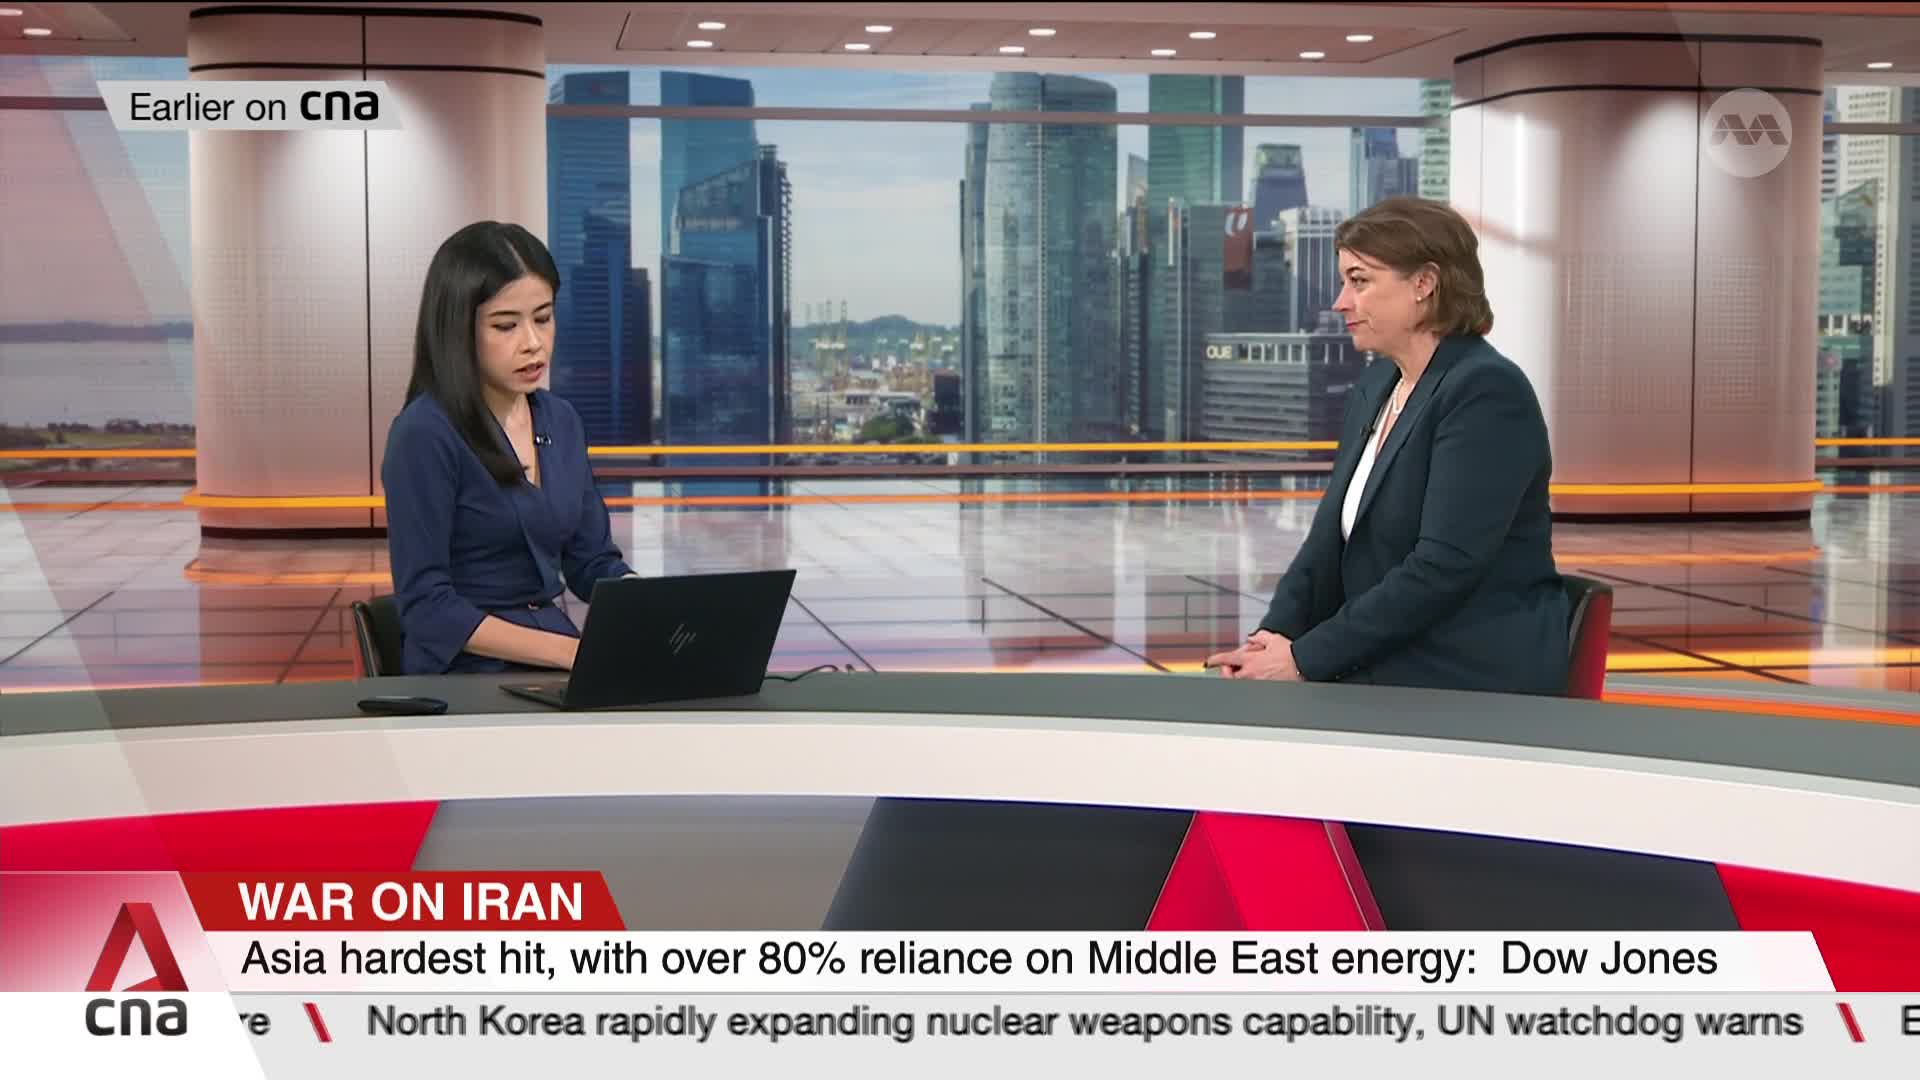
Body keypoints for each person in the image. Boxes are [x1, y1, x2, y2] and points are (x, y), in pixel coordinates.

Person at [1205, 196, 1569, 695]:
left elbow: (1442, 569)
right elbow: (1325, 544)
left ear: (1424, 283)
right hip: (1392, 649)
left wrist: (1305, 660)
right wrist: (1275, 637)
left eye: (1359, 281)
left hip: (1464, 666)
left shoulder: (1485, 391)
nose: (1340, 302)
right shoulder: (1380, 384)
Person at [381, 221, 634, 675]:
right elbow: (426, 605)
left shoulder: (561, 421)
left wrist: (659, 610)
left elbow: (591, 562)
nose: (533, 343)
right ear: (458, 330)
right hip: (465, 673)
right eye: (505, 325)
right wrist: (567, 653)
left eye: (543, 317)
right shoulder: (424, 434)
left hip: (554, 661)